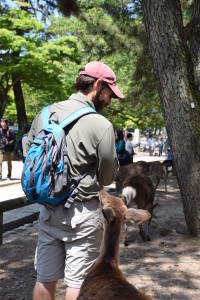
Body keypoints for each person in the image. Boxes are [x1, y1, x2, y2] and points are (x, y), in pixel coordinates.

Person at [24, 61, 123, 300]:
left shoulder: (45, 114)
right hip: (83, 216)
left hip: (48, 211)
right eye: (109, 93)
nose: (109, 100)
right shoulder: (101, 125)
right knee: (77, 283)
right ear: (98, 85)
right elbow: (108, 176)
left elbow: (28, 152)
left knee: (45, 280)